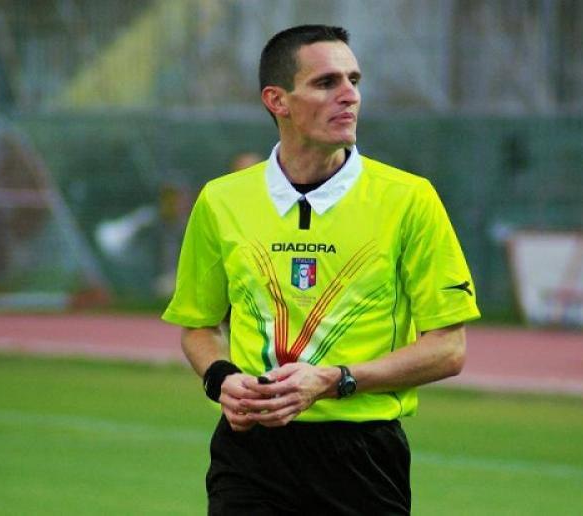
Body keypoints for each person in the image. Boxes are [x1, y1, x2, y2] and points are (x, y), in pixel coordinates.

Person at [162, 24, 480, 515]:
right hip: (250, 453)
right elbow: (197, 326)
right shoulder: (221, 200)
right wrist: (220, 377)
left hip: (362, 457)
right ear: (277, 100)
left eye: (354, 80)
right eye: (326, 82)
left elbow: (448, 349)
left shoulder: (409, 200)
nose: (349, 96)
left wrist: (334, 380)